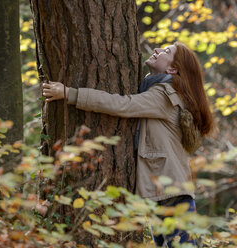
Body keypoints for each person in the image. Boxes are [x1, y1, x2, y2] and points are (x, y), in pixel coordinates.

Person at [42, 42, 214, 246]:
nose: (157, 50)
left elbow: (122, 104)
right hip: (167, 192)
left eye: (166, 51)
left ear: (172, 69)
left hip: (171, 194)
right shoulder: (164, 91)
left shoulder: (164, 94)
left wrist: (70, 94)